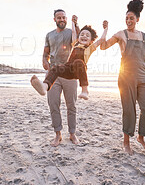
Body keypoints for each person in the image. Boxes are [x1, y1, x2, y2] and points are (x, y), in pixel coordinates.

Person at [100, 0, 145, 155]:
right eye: (127, 18)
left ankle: (141, 137)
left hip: (143, 76)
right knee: (129, 111)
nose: (129, 21)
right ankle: (126, 142)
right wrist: (105, 30)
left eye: (131, 18)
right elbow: (103, 46)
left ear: (137, 20)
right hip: (126, 77)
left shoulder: (143, 36)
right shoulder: (121, 34)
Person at [34, 9, 80, 147]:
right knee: (53, 104)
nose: (62, 20)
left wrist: (75, 24)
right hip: (54, 73)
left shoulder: (70, 32)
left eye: (64, 17)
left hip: (70, 73)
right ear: (54, 19)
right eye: (59, 18)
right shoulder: (49, 35)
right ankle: (58, 134)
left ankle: (72, 134)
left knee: (71, 105)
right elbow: (45, 54)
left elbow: (78, 39)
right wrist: (44, 61)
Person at [31, 18, 108, 100]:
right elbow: (74, 32)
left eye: (87, 35)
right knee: (56, 68)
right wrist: (73, 22)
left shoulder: (90, 48)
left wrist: (106, 28)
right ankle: (45, 86)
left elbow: (102, 39)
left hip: (78, 70)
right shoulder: (75, 44)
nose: (84, 36)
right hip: (68, 69)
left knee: (78, 62)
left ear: (91, 41)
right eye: (82, 34)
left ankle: (85, 90)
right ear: (78, 38)